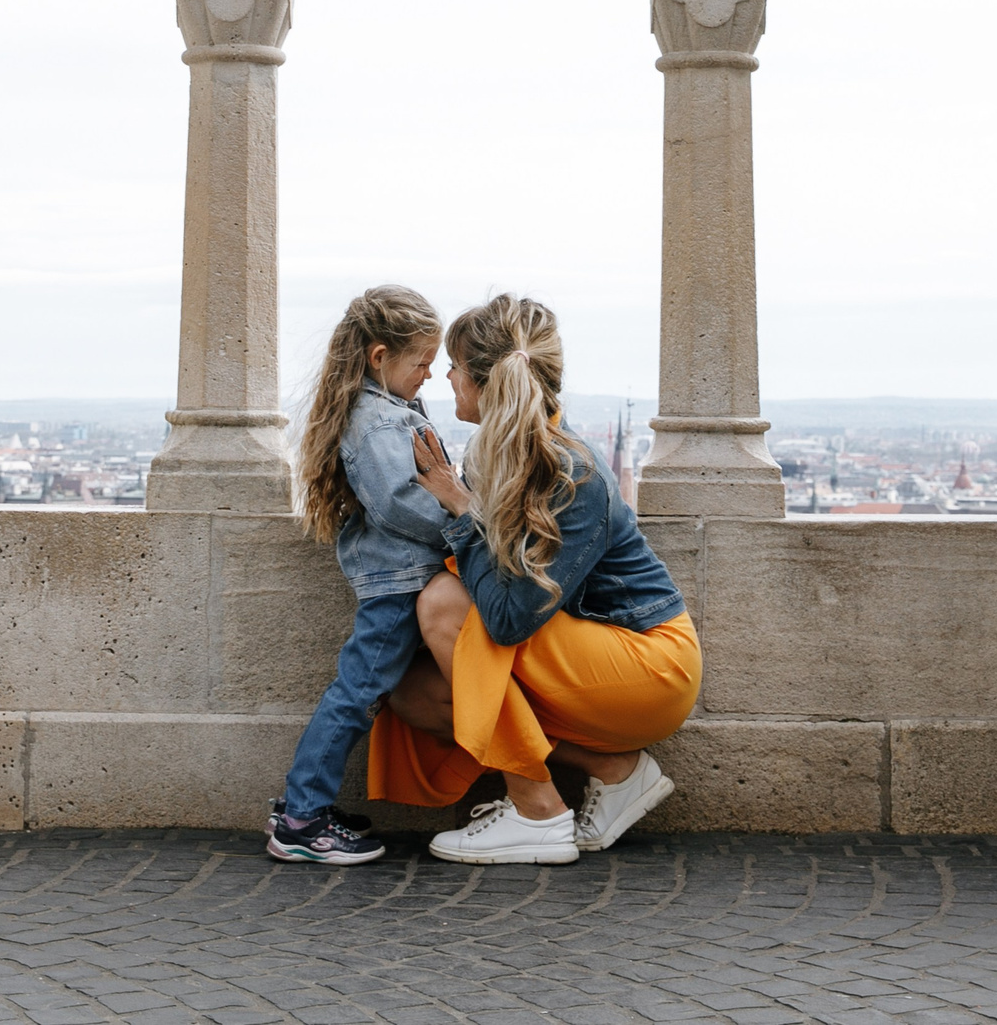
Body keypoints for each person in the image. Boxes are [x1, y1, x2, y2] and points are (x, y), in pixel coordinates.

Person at [370, 293, 701, 864]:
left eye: (453, 365)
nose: (444, 375)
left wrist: (457, 505)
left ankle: (536, 811)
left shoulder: (571, 471)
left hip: (650, 665)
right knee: (416, 696)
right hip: (586, 654)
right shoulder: (492, 454)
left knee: (444, 605)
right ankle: (615, 772)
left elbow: (505, 619)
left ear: (482, 381)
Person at [264, 285, 457, 864]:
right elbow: (400, 504)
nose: (429, 374)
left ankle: (303, 806)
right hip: (399, 582)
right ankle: (301, 819)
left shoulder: (382, 411)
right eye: (421, 361)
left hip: (400, 577)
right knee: (356, 694)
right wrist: (466, 526)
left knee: (359, 692)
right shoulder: (376, 424)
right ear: (380, 357)